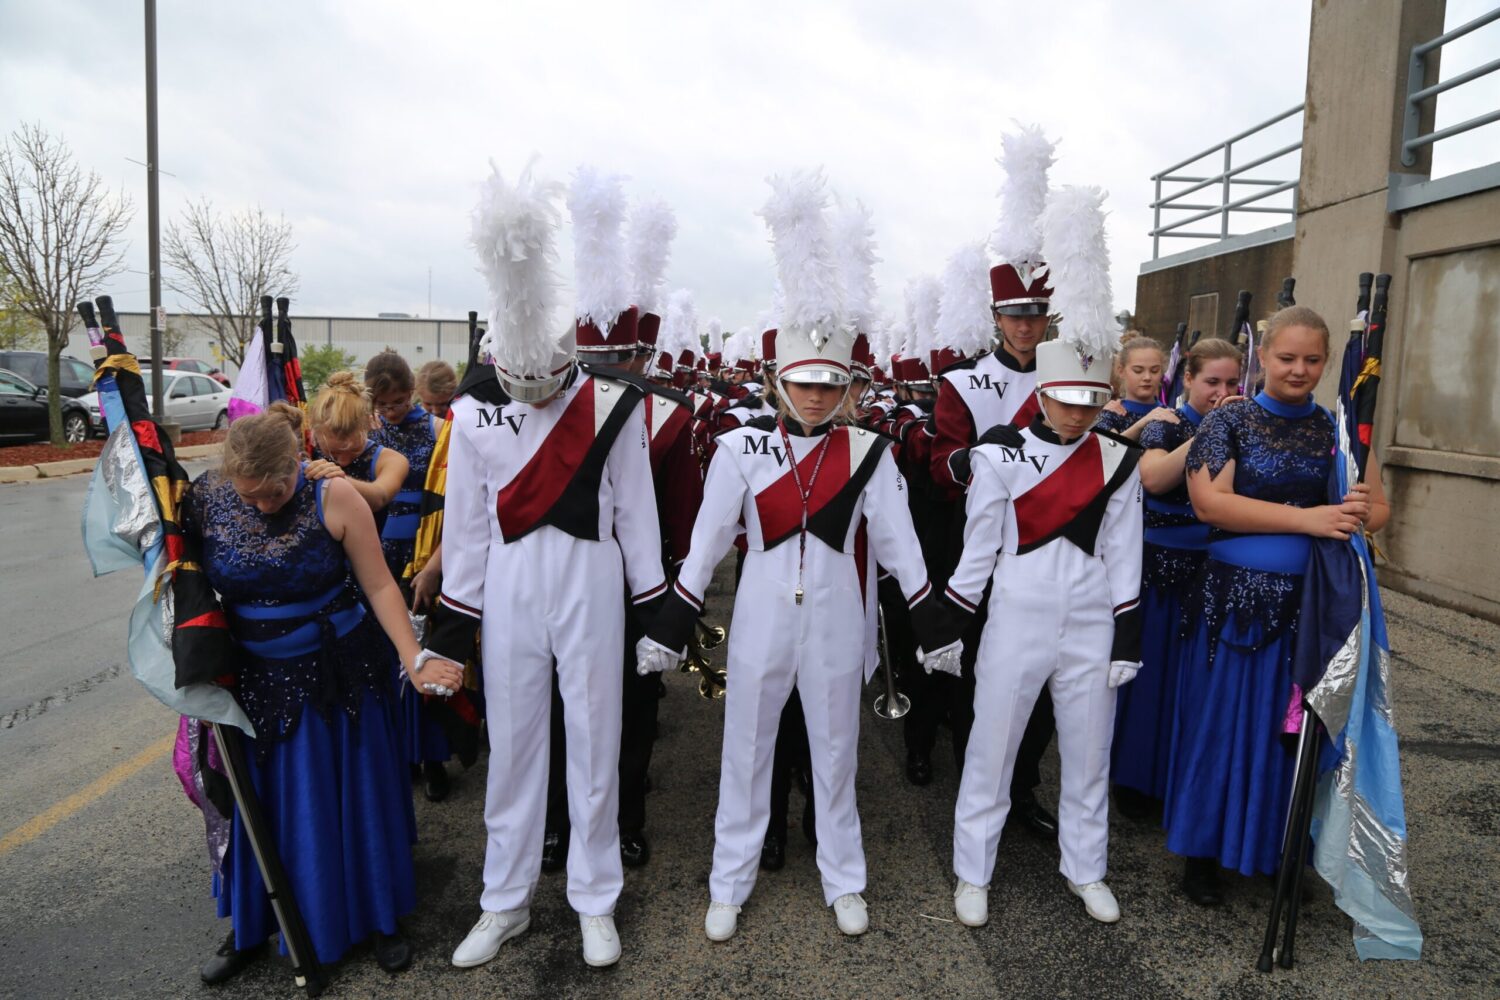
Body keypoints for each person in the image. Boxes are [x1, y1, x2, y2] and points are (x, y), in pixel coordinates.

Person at [638, 173, 953, 941]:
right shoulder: (743, 448)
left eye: (829, 384)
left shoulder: (871, 452)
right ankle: (729, 879)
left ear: (847, 383)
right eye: (803, 384)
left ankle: (844, 878)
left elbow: (902, 546)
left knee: (838, 753)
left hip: (841, 622)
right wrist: (670, 622)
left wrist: (933, 622)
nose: (815, 397)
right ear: (780, 379)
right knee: (745, 750)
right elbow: (709, 542)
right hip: (758, 619)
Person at [425, 162, 665, 970]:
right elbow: (465, 531)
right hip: (514, 588)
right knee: (516, 747)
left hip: (593, 581)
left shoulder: (613, 405)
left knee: (596, 743)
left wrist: (656, 609)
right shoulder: (472, 413)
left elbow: (637, 512)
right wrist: (450, 637)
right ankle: (505, 902)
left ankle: (596, 899)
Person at [186, 403, 464, 982]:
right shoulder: (206, 497)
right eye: (251, 496)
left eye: (275, 490)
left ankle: (378, 917)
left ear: (299, 459)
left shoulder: (335, 496)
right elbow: (182, 578)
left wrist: (414, 659)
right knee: (257, 804)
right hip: (250, 681)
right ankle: (252, 923)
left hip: (336, 674)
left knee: (349, 798)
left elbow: (380, 585)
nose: (263, 503)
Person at [1164, 306, 1389, 905]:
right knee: (1222, 725)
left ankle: (1276, 854)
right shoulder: (1229, 421)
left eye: (1312, 360)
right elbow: (1212, 504)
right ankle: (1202, 855)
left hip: (1312, 611)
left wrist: (1362, 505)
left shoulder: (1335, 429)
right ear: (1262, 357)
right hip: (1234, 609)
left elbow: (1381, 510)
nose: (1299, 370)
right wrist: (1310, 518)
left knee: (1290, 732)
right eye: (1286, 358)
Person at [941, 329, 1144, 929]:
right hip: (1016, 619)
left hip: (1090, 621)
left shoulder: (1118, 459)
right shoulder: (997, 456)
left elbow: (1125, 551)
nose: (1080, 412)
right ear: (1043, 395)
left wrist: (1125, 633)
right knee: (991, 748)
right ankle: (972, 871)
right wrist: (949, 622)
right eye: (1067, 399)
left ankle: (1086, 868)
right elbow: (976, 550)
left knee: (1087, 753)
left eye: (1091, 400)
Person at [1109, 337, 1242, 822]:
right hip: (1159, 567)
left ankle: (1183, 780)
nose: (1221, 390)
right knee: (1151, 676)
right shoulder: (1167, 422)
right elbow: (1154, 479)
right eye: (1212, 381)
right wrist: (1210, 430)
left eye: (1231, 382)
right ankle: (1136, 777)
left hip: (1215, 570)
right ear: (1186, 380)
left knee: (1198, 684)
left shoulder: (1242, 423)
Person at [366, 350, 456, 802]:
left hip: (423, 558)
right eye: (383, 404)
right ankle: (403, 757)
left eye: (399, 401)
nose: (392, 412)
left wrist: (433, 566)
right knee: (389, 664)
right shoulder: (368, 433)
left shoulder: (442, 430)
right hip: (377, 558)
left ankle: (435, 758)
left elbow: (459, 506)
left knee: (423, 657)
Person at [305, 371, 409, 523]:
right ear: (316, 434)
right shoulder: (308, 451)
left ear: (367, 425)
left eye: (354, 450)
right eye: (332, 454)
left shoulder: (391, 460)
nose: (343, 462)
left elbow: (380, 497)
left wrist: (336, 479)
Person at [1095, 335, 1179, 441]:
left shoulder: (1170, 414)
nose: (1147, 377)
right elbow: (1111, 449)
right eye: (1138, 370)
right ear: (1121, 371)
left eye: (1154, 370)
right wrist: (1143, 422)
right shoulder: (1110, 415)